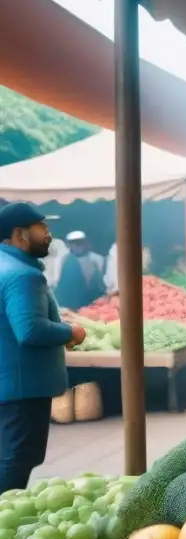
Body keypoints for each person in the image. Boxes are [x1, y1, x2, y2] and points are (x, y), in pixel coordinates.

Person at [0, 202, 86, 491]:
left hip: (8, 384)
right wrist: (69, 331)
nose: (49, 234)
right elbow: (29, 329)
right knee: (16, 459)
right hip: (23, 389)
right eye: (43, 228)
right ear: (20, 234)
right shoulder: (23, 275)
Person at [54, 230, 106, 310]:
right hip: (68, 304)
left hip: (93, 304)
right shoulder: (62, 260)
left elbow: (102, 283)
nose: (77, 246)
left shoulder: (98, 259)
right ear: (69, 245)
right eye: (74, 243)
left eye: (80, 243)